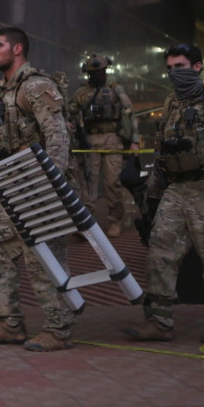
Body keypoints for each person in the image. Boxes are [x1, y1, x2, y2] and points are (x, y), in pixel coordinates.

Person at [0, 26, 76, 352]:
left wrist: (52, 181)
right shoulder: (1, 94)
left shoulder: (36, 86)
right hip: (7, 188)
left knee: (42, 257)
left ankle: (58, 330)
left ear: (17, 49)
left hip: (36, 186)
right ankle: (8, 323)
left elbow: (57, 135)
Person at [125, 43, 204, 343]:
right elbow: (161, 155)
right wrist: (152, 198)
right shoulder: (172, 103)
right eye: (169, 68)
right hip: (177, 188)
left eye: (180, 67)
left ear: (197, 66)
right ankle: (159, 322)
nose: (174, 74)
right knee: (160, 252)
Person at [67, 54, 140, 237]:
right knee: (89, 185)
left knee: (112, 183)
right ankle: (86, 223)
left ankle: (115, 220)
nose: (98, 75)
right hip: (90, 141)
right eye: (94, 72)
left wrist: (134, 141)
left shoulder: (115, 89)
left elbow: (130, 114)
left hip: (112, 139)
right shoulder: (82, 93)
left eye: (101, 71)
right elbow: (69, 112)